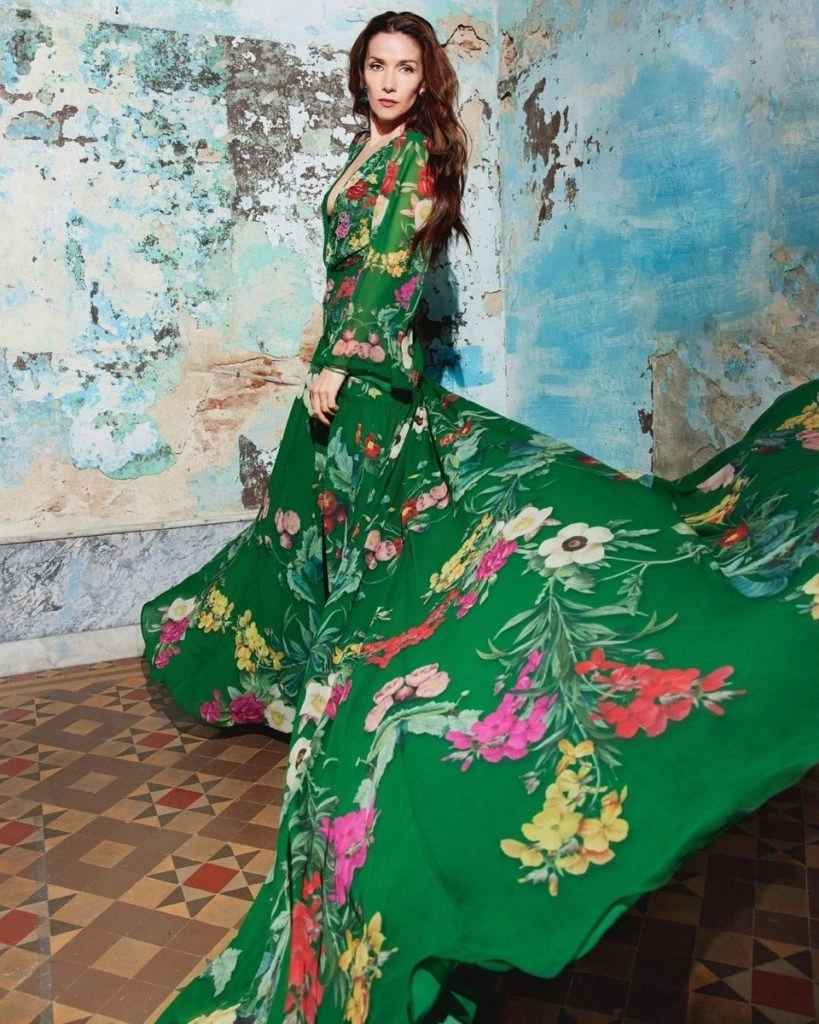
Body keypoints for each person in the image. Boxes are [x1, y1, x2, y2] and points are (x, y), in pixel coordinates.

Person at [142, 11, 819, 1024]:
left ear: (426, 82)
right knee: (319, 546)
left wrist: (343, 366)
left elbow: (390, 276)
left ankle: (372, 718)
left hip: (365, 387)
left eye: (406, 68)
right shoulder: (363, 150)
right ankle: (313, 690)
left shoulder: (414, 158)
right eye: (377, 65)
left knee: (386, 559)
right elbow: (343, 274)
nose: (389, 80)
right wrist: (320, 359)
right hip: (336, 383)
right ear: (360, 73)